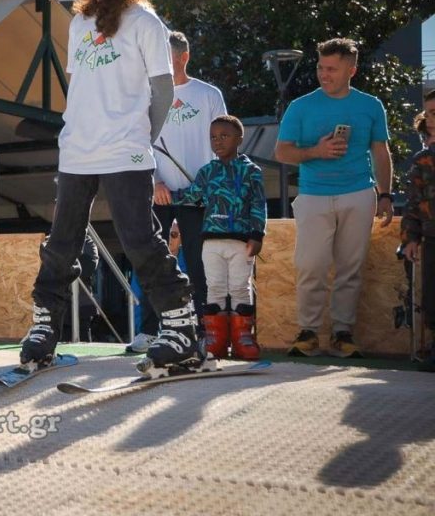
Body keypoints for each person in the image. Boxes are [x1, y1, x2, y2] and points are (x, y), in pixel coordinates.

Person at [20, 0, 201, 375]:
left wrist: (141, 138)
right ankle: (45, 329)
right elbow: (82, 89)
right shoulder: (79, 23)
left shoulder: (145, 23)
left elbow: (163, 91)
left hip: (125, 150)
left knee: (140, 240)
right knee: (61, 243)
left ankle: (182, 329)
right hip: (77, 152)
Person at [275, 38, 394, 358]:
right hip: (313, 194)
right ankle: (308, 332)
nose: (323, 74)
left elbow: (380, 152)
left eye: (331, 69)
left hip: (359, 193)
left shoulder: (371, 105)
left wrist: (385, 194)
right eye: (320, 67)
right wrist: (317, 151)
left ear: (351, 71)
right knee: (310, 265)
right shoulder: (300, 106)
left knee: (350, 268)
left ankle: (343, 332)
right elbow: (282, 152)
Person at [129, 30, 226, 353]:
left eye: (167, 58)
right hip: (159, 193)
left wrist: (206, 185)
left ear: (184, 57)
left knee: (199, 265)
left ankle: (202, 331)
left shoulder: (208, 95)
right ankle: (149, 331)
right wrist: (155, 181)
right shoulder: (146, 96)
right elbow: (139, 143)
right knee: (153, 260)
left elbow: (223, 142)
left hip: (198, 196)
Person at [173, 115, 266, 360]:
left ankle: (243, 338)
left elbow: (258, 204)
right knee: (214, 287)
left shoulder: (251, 171)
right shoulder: (207, 172)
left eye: (225, 136)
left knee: (240, 288)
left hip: (241, 241)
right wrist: (165, 195)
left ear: (240, 139)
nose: (218, 141)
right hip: (211, 241)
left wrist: (257, 234)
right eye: (213, 137)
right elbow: (192, 195)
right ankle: (216, 340)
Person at [400, 89, 435, 371]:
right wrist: (410, 238)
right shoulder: (422, 160)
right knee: (432, 298)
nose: (430, 119)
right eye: (428, 113)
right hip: (432, 235)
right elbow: (413, 202)